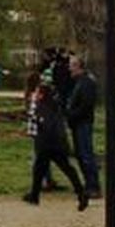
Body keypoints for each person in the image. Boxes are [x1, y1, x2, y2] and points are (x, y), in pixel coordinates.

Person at [24, 81, 89, 210]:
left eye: (37, 92)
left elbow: (45, 124)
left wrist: (37, 123)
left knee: (40, 169)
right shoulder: (54, 105)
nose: (35, 94)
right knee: (65, 169)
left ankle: (35, 195)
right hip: (58, 143)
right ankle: (80, 192)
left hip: (47, 144)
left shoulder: (42, 107)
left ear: (41, 95)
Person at [64, 54, 101, 197]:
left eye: (71, 65)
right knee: (80, 154)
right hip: (77, 123)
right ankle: (89, 184)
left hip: (83, 123)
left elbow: (86, 105)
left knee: (86, 154)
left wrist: (71, 114)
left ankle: (93, 186)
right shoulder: (79, 82)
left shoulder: (86, 83)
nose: (69, 68)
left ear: (79, 67)